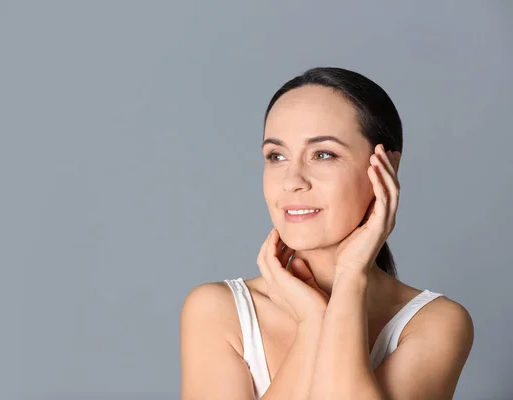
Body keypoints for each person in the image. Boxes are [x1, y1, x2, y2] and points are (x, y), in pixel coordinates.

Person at [180, 67, 474, 399]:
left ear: (388, 168)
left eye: (323, 154)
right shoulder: (218, 310)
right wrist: (313, 322)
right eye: (276, 156)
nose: (292, 181)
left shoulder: (434, 322)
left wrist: (350, 279)